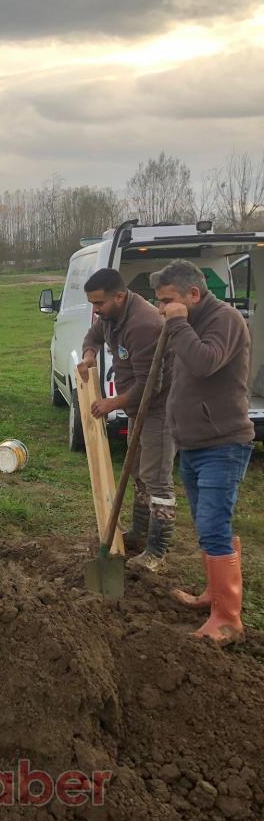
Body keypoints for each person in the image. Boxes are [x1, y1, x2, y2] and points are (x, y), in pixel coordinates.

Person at [151, 259, 255, 643]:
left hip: (223, 443)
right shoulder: (188, 324)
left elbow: (205, 363)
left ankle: (228, 618)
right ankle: (214, 594)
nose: (162, 309)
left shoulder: (224, 320)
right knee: (206, 524)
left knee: (214, 525)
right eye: (160, 302)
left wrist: (177, 323)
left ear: (193, 294)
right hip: (193, 444)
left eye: (168, 300)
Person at [78, 268, 176, 571]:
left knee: (157, 478)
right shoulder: (111, 317)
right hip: (137, 410)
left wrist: (111, 403)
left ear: (119, 296)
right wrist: (89, 355)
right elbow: (93, 335)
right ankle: (139, 531)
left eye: (99, 303)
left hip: (159, 409)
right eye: (92, 304)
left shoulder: (143, 324)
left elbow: (150, 385)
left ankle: (157, 551)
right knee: (137, 469)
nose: (95, 310)